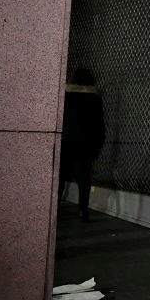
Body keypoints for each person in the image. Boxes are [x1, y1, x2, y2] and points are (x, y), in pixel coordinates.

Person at [59, 67, 105, 222]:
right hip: (86, 144)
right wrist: (98, 144)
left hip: (68, 141)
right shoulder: (95, 97)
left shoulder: (67, 95)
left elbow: (63, 118)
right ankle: (82, 210)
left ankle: (55, 209)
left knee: (61, 177)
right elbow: (99, 123)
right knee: (84, 179)